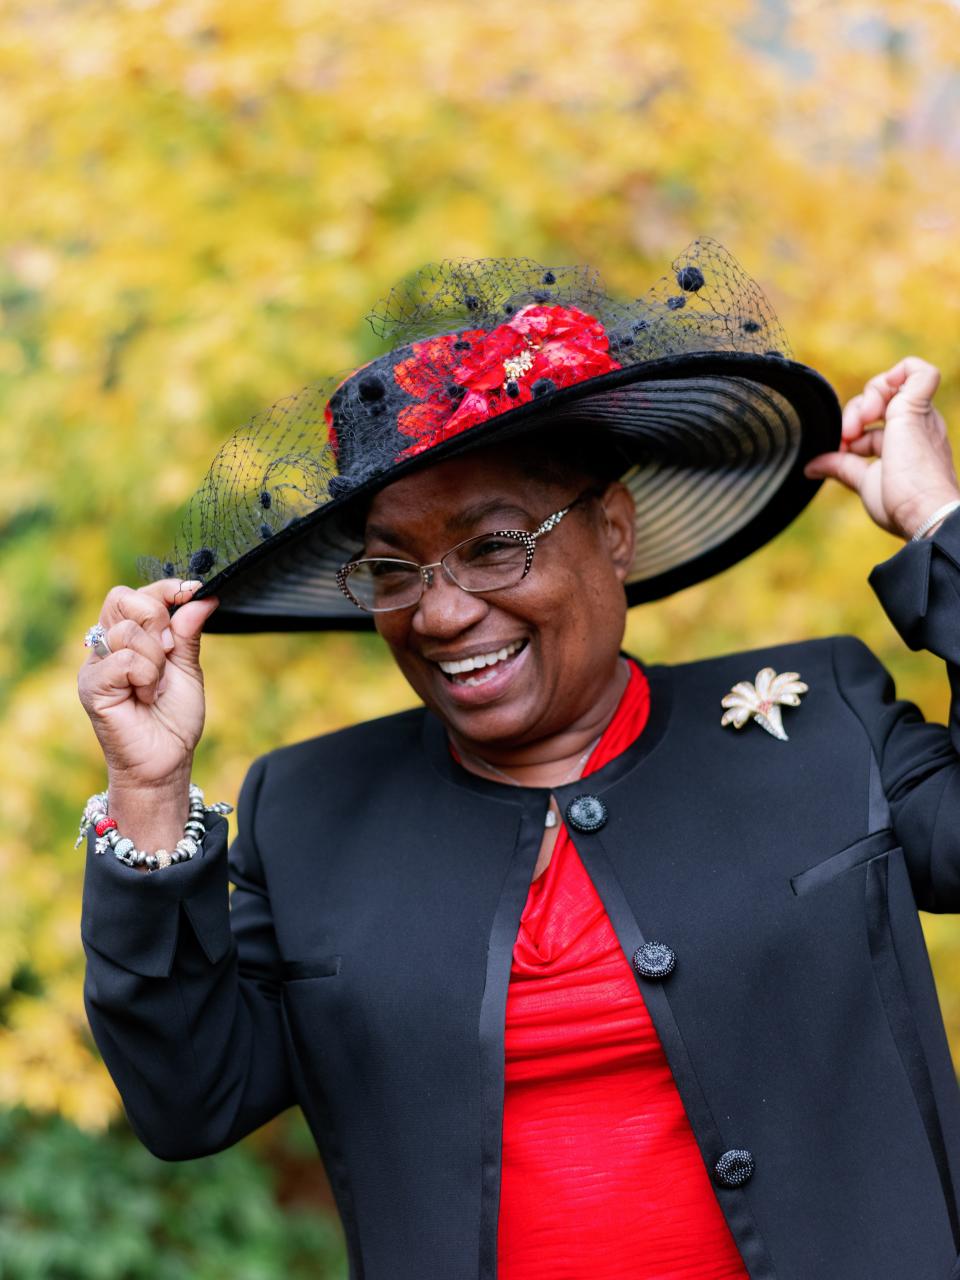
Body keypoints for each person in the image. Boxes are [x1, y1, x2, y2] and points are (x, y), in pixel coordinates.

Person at [77, 241, 960, 1279]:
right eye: (396, 569)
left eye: (496, 545)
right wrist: (148, 789)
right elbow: (189, 1097)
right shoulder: (310, 812)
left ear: (615, 532)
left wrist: (943, 531)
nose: (443, 612)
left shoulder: (825, 718)